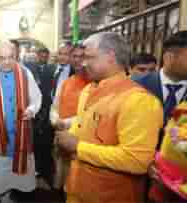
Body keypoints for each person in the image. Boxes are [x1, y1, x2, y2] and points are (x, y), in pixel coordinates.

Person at [56, 32, 163, 203]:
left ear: (110, 57)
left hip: (110, 195)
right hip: (78, 189)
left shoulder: (139, 100)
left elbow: (137, 160)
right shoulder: (89, 90)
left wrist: (77, 147)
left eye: (89, 57)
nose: (83, 63)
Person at [0, 41, 42, 203]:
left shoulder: (25, 73)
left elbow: (36, 98)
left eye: (11, 57)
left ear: (16, 56)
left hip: (21, 136)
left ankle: (7, 198)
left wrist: (31, 110)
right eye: (2, 58)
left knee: (13, 179)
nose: (7, 62)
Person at [133, 31, 187, 201]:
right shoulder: (136, 86)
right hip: (137, 178)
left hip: (180, 186)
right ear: (170, 56)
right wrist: (144, 161)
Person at [50, 44, 90, 189]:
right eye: (75, 56)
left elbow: (90, 113)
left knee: (77, 183)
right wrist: (55, 120)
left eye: (82, 56)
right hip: (62, 135)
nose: (78, 60)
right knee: (62, 178)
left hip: (81, 139)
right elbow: (55, 105)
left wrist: (65, 123)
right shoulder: (67, 81)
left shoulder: (94, 83)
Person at [24, 47, 56, 188]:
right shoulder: (29, 69)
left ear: (48, 57)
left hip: (47, 112)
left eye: (45, 56)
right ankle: (33, 174)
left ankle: (43, 174)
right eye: (40, 55)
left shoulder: (52, 69)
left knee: (45, 146)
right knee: (33, 145)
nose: (42, 58)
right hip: (32, 111)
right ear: (36, 56)